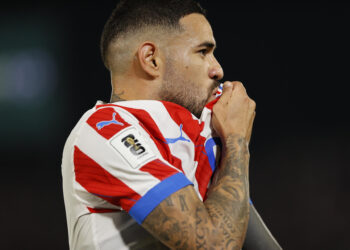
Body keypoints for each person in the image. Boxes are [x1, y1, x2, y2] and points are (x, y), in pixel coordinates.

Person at [62, 0, 281, 249]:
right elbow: (213, 245)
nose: (218, 69)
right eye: (203, 52)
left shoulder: (199, 133)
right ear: (151, 59)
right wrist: (236, 140)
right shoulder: (104, 129)